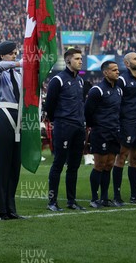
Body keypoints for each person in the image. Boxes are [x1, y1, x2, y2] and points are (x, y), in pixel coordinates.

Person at [44, 48, 86, 211]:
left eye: (81, 58)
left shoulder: (80, 81)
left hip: (78, 127)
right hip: (63, 126)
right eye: (77, 58)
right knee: (58, 164)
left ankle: (71, 201)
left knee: (74, 165)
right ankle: (52, 202)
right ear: (68, 61)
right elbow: (49, 105)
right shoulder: (58, 80)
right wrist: (59, 120)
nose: (80, 61)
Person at [0, 41, 26, 220]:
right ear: (2, 55)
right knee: (2, 165)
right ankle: (1, 209)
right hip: (4, 114)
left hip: (19, 117)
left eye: (16, 53)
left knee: (14, 166)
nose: (14, 56)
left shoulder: (19, 75)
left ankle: (11, 208)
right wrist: (19, 63)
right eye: (11, 53)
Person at [85, 61, 122, 208]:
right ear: (106, 73)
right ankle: (94, 198)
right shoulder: (97, 90)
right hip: (101, 132)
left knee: (109, 165)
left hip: (115, 132)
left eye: (118, 69)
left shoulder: (119, 90)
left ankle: (105, 198)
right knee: (99, 165)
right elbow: (88, 112)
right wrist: (96, 126)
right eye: (114, 70)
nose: (117, 72)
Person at [112, 52, 136, 205]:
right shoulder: (122, 80)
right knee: (121, 158)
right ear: (126, 63)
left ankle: (134, 195)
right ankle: (117, 196)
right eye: (135, 59)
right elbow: (116, 103)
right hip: (126, 124)